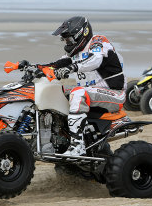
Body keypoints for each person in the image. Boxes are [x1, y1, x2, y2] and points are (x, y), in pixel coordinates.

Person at [40, 16, 127, 156]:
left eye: (69, 39)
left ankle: (77, 146)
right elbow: (55, 65)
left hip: (114, 94)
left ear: (82, 33)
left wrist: (72, 68)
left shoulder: (98, 41)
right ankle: (59, 139)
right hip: (92, 95)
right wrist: (34, 68)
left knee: (78, 92)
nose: (67, 42)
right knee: (55, 91)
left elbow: (95, 60)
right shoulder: (73, 53)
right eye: (65, 39)